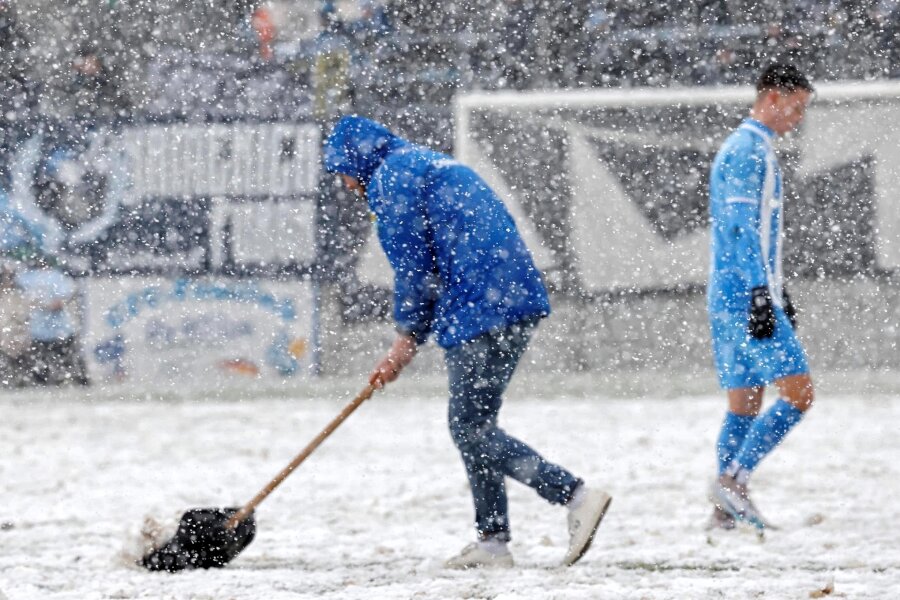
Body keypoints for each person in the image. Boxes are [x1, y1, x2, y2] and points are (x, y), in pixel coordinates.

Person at [323, 115, 611, 568]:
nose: (344, 182)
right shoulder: (422, 163)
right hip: (516, 298)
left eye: (341, 170)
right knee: (477, 426)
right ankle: (493, 542)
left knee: (470, 429)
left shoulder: (390, 181)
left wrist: (405, 341)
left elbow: (414, 270)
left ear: (355, 161)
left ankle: (574, 495)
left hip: (479, 306)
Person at [707, 63, 815, 531]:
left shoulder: (745, 148)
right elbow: (740, 226)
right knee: (799, 393)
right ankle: (733, 481)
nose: (797, 118)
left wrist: (775, 285)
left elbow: (746, 231)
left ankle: (723, 515)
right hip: (741, 293)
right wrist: (758, 291)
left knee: (744, 402)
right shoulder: (749, 149)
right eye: (796, 107)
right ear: (772, 97)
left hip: (729, 291)